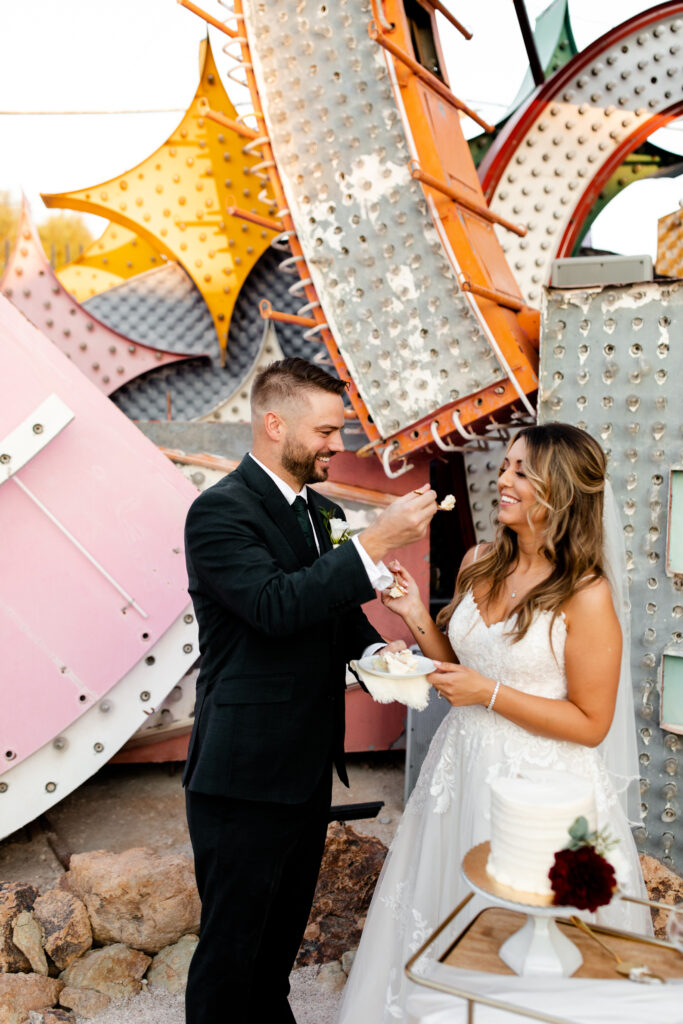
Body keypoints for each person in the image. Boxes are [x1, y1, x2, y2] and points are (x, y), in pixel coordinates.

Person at [338, 422, 651, 1024]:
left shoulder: (585, 595)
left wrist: (491, 692)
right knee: (445, 913)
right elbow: (461, 672)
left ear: (559, 492)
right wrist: (414, 617)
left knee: (528, 944)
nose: (501, 480)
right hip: (460, 773)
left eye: (520, 473)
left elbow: (590, 723)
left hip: (544, 791)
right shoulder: (478, 561)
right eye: (504, 466)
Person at [182, 357, 437, 1024]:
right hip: (241, 776)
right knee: (231, 956)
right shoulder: (216, 513)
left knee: (274, 954)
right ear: (274, 423)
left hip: (303, 770)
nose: (338, 445)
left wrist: (375, 650)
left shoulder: (317, 511)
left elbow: (328, 609)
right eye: (327, 431)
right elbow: (273, 606)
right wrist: (375, 543)